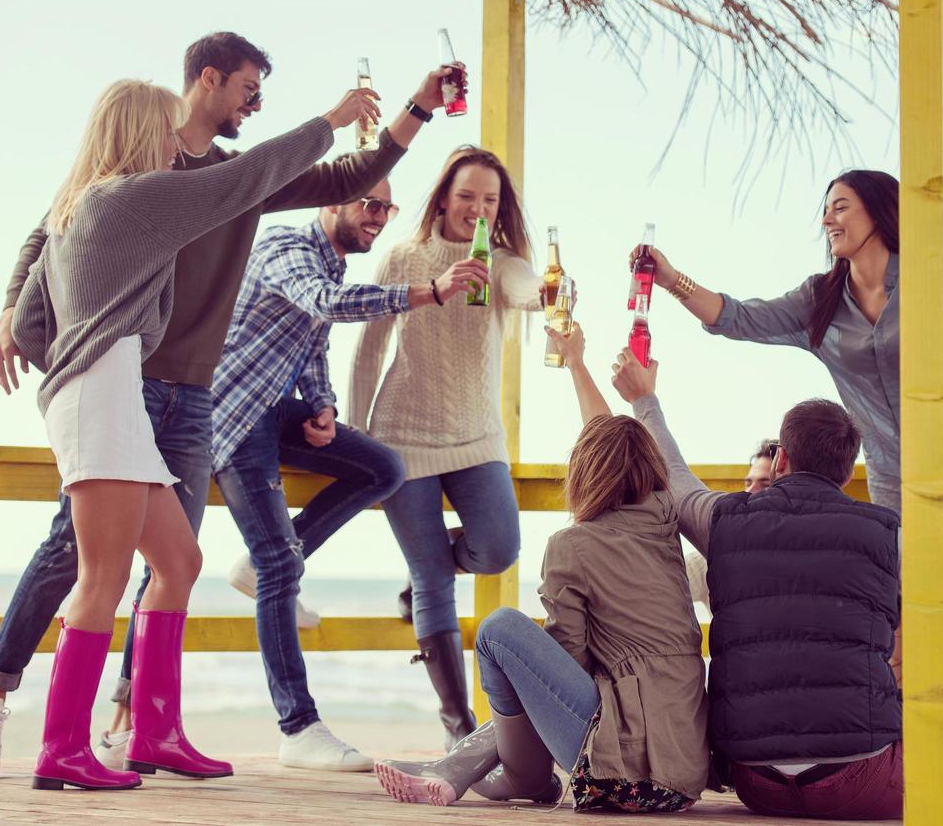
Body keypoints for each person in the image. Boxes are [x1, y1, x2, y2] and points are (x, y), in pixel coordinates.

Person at [0, 32, 451, 778]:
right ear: (207, 82)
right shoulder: (151, 190)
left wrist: (413, 110)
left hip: (161, 389)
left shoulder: (132, 192)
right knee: (91, 564)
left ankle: (149, 728)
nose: (256, 103)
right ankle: (28, 724)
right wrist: (330, 116)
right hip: (112, 388)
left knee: (177, 561)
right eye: (249, 89)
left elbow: (38, 302)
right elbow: (51, 241)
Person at [639, 169, 943, 669]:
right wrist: (670, 278)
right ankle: (941, 711)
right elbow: (738, 317)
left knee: (935, 591)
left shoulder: (930, 280)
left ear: (879, 212)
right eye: (826, 209)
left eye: (841, 206)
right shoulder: (820, 300)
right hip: (894, 474)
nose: (828, 218)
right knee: (900, 602)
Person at [612, 352, 943, 818]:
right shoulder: (890, 536)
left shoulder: (724, 522)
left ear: (781, 460)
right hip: (856, 783)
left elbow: (676, 479)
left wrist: (645, 399)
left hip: (755, 783)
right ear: (849, 472)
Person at [208, 175, 489, 772]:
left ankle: (264, 561)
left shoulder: (330, 261)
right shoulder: (285, 245)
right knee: (280, 565)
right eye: (369, 204)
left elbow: (311, 345)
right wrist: (430, 292)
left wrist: (322, 404)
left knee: (382, 466)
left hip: (277, 410)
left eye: (387, 206)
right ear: (332, 199)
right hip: (233, 415)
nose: (380, 216)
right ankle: (298, 728)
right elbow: (326, 305)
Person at [373, 322, 709, 812]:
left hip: (628, 772)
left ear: (586, 473)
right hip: (684, 773)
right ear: (650, 471)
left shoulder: (573, 545)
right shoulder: (667, 523)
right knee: (550, 661)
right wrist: (577, 364)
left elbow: (565, 664)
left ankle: (518, 777)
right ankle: (460, 767)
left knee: (499, 631)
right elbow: (617, 441)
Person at [348, 146, 546, 749]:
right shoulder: (404, 258)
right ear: (442, 199)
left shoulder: (502, 262)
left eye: (490, 201)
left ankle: (422, 574)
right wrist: (355, 436)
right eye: (467, 198)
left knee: (498, 548)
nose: (478, 210)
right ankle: (457, 722)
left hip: (477, 437)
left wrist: (550, 290)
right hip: (404, 436)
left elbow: (525, 288)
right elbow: (368, 351)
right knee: (434, 575)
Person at [685, 439, 778, 612]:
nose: (749, 492)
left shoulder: (811, 552)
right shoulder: (713, 556)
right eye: (748, 483)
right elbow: (659, 585)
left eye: (765, 485)